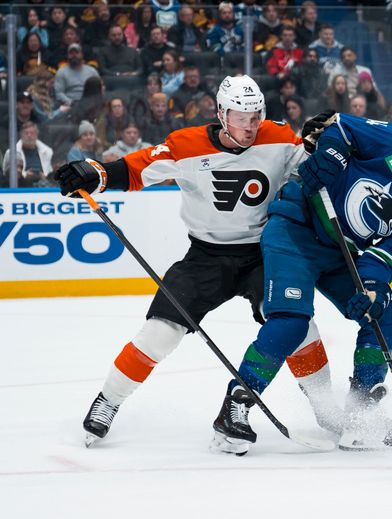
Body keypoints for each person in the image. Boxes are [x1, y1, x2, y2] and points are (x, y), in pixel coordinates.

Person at [53, 75, 334, 447]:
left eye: (256, 115)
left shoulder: (279, 137)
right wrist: (96, 174)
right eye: (240, 116)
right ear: (221, 114)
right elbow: (136, 169)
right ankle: (109, 400)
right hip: (206, 257)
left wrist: (328, 140)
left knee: (297, 324)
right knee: (160, 333)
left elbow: (314, 161)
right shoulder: (186, 145)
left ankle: (328, 409)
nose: (250, 125)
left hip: (265, 253)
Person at [210, 113, 392, 454]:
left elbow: (383, 261)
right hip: (297, 227)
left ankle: (359, 414)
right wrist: (331, 155)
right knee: (291, 322)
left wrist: (373, 290)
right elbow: (338, 127)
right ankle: (236, 406)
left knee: (386, 316)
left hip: (340, 253)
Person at [2, 122, 54, 187]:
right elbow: (6, 175)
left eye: (32, 133)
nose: (29, 135)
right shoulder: (11, 153)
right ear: (21, 135)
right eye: (26, 133)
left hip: (45, 187)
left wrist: (44, 176)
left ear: (37, 135)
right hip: (21, 188)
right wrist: (24, 176)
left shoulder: (47, 152)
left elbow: (51, 173)